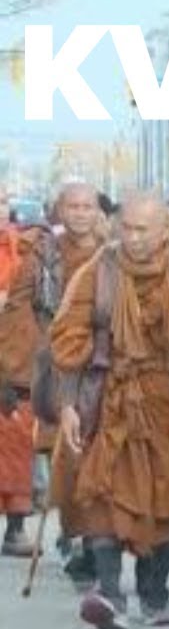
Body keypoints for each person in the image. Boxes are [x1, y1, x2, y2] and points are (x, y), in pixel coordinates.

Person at [49, 192, 169, 629]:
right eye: (126, 227)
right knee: (102, 494)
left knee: (165, 501)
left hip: (168, 406)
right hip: (110, 400)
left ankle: (155, 592)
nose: (133, 237)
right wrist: (68, 404)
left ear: (167, 231)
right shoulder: (98, 274)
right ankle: (109, 594)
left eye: (144, 229)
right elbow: (69, 340)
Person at [12, 183, 106, 587]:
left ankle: (96, 542)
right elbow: (18, 312)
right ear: (59, 211)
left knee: (100, 459)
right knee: (65, 458)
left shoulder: (113, 253)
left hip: (104, 368)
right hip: (59, 366)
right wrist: (24, 367)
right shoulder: (41, 255)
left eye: (88, 206)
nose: (81, 213)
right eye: (73, 206)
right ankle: (78, 533)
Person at [0, 184, 40, 556]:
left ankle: (15, 529)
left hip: (11, 360)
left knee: (15, 444)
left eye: (1, 203)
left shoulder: (23, 252)